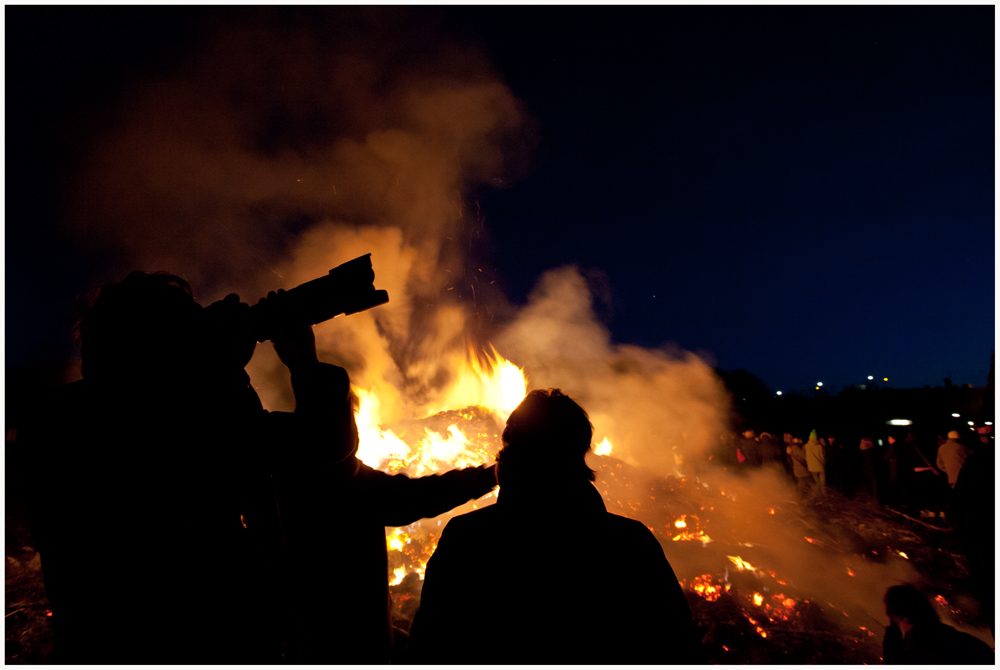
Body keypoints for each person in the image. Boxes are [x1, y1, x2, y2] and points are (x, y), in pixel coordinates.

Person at [19, 272, 357, 663]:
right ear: (152, 349)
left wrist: (305, 365)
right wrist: (223, 375)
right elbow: (165, 508)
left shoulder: (182, 410)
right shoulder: (73, 428)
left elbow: (322, 447)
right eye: (190, 332)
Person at [406, 389, 705, 664]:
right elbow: (680, 650)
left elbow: (429, 650)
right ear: (579, 455)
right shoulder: (630, 544)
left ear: (508, 458)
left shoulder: (468, 540)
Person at [271, 401, 499, 664]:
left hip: (298, 635)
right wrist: (489, 477)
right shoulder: (352, 487)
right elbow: (422, 497)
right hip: (356, 641)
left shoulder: (281, 479)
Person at [882, 585, 993, 664]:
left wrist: (892, 630)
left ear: (901, 616)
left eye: (893, 617)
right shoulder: (966, 642)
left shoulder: (919, 651)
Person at [805, 430, 826, 497]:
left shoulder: (806, 446)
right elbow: (823, 457)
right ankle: (823, 494)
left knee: (816, 482)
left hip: (811, 467)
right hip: (820, 466)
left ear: (810, 438)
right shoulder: (820, 447)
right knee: (822, 483)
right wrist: (824, 463)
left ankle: (816, 494)